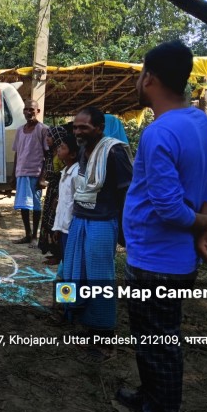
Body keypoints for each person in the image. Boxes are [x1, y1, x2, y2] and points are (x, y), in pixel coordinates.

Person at [117, 40, 207, 412]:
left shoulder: (159, 133)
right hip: (174, 257)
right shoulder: (201, 122)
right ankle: (150, 396)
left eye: (140, 74)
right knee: (151, 336)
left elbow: (168, 208)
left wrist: (204, 225)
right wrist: (202, 224)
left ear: (149, 78)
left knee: (159, 341)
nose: (138, 81)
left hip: (156, 261)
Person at [62, 106, 133, 362]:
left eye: (84, 127)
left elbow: (127, 193)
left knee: (100, 279)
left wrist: (125, 231)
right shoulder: (83, 150)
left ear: (100, 128)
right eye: (75, 127)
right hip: (80, 219)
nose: (78, 132)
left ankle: (104, 337)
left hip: (102, 222)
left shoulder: (114, 151)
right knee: (72, 270)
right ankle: (75, 316)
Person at [11, 99, 48, 245]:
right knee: (24, 205)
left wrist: (42, 177)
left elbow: (48, 155)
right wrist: (14, 174)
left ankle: (34, 236)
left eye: (31, 109)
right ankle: (27, 234)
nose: (28, 112)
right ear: (23, 112)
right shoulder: (19, 130)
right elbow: (17, 153)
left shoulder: (43, 129)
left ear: (37, 111)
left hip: (35, 173)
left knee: (36, 206)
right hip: (21, 173)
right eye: (26, 109)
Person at [37, 126, 67, 263]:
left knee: (56, 220)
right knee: (49, 219)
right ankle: (53, 251)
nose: (47, 139)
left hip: (60, 190)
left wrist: (59, 196)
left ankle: (59, 254)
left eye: (50, 136)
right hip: (52, 190)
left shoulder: (63, 156)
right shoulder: (50, 154)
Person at [52, 133, 79, 263]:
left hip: (71, 229)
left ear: (72, 154)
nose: (59, 149)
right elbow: (63, 203)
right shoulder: (65, 172)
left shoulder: (76, 174)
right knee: (66, 260)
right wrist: (58, 227)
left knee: (70, 261)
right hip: (64, 227)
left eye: (63, 147)